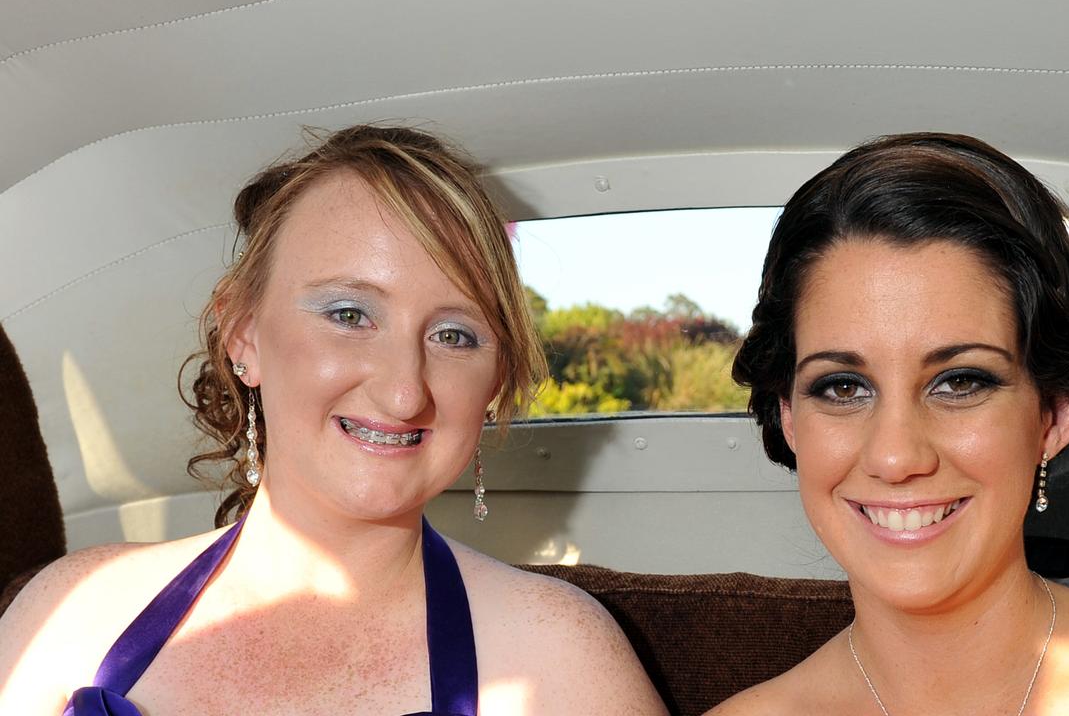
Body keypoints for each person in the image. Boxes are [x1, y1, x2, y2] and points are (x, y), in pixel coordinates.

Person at [0, 125, 667, 715]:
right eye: (349, 314)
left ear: (495, 383)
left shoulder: (562, 657)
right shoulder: (70, 612)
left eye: (455, 335)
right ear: (243, 335)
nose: (405, 392)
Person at [710, 133, 1069, 714]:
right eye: (842, 387)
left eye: (960, 382)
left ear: (1054, 416)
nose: (895, 457)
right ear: (788, 418)